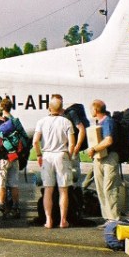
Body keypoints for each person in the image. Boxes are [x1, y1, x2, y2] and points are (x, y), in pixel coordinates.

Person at [32, 96, 76, 228]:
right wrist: (69, 154)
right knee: (63, 190)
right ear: (62, 109)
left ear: (49, 108)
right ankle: (63, 220)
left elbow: (35, 141)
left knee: (48, 190)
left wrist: (39, 154)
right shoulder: (66, 122)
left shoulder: (41, 121)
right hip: (61, 154)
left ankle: (48, 220)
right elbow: (72, 143)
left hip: (47, 155)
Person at [88, 99, 121, 223]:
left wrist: (94, 149)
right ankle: (107, 217)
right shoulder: (100, 122)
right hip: (99, 158)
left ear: (96, 110)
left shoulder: (108, 122)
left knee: (109, 188)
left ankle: (114, 218)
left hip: (109, 157)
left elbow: (109, 140)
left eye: (91, 108)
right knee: (101, 188)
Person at [61, 98, 89, 187]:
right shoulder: (61, 116)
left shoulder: (70, 114)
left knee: (74, 172)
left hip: (71, 148)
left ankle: (75, 193)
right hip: (66, 148)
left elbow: (81, 129)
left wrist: (78, 145)